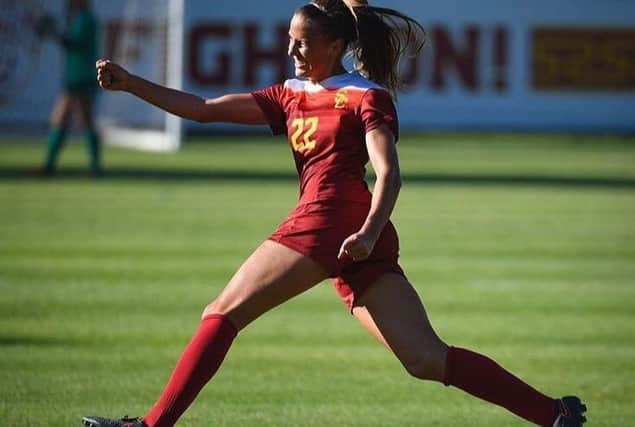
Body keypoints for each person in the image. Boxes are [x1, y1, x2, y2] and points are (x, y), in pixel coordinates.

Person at [84, 1, 587, 426]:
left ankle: (149, 426)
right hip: (351, 235)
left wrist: (367, 233)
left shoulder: (366, 96)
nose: (292, 50)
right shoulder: (290, 94)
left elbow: (388, 174)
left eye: (302, 42)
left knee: (221, 313)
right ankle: (554, 414)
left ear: (333, 46)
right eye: (289, 40)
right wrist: (131, 84)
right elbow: (202, 108)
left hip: (330, 222)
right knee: (425, 358)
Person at [35, 0, 101, 176]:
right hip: (76, 77)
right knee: (67, 119)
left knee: (73, 120)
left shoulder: (86, 19)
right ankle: (51, 166)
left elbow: (73, 43)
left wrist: (52, 32)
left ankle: (93, 167)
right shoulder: (80, 18)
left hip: (81, 77)